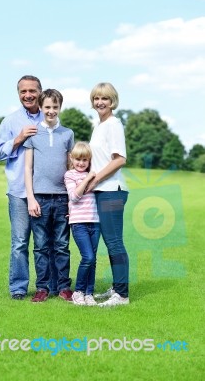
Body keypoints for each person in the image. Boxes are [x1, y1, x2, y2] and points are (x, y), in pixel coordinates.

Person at [0, 75, 57, 300]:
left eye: (32, 91)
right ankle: (19, 288)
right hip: (19, 192)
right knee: (20, 242)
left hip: (45, 192)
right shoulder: (10, 122)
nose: (28, 95)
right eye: (23, 92)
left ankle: (48, 286)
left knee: (46, 242)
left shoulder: (49, 117)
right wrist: (18, 139)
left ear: (40, 91)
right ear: (18, 94)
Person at [24, 88, 74, 303]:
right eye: (47, 107)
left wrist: (72, 200)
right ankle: (42, 288)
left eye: (55, 107)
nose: (51, 111)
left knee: (62, 246)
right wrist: (31, 198)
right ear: (41, 108)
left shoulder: (68, 134)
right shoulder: (33, 133)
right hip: (40, 198)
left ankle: (64, 287)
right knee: (41, 246)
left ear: (60, 107)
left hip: (62, 198)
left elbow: (72, 168)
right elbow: (27, 169)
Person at [86, 82, 130, 307]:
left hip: (112, 191)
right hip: (102, 190)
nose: (100, 102)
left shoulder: (113, 124)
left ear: (112, 101)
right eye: (96, 98)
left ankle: (121, 295)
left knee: (114, 242)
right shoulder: (100, 125)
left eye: (105, 98)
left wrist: (94, 180)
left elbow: (119, 159)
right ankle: (117, 287)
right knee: (110, 241)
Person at [64, 142, 100, 306]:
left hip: (95, 221)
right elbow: (74, 196)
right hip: (78, 223)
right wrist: (87, 178)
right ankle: (78, 291)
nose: (81, 163)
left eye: (85, 160)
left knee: (93, 260)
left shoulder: (93, 174)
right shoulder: (70, 175)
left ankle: (89, 293)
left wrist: (91, 176)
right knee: (88, 257)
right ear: (72, 159)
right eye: (78, 159)